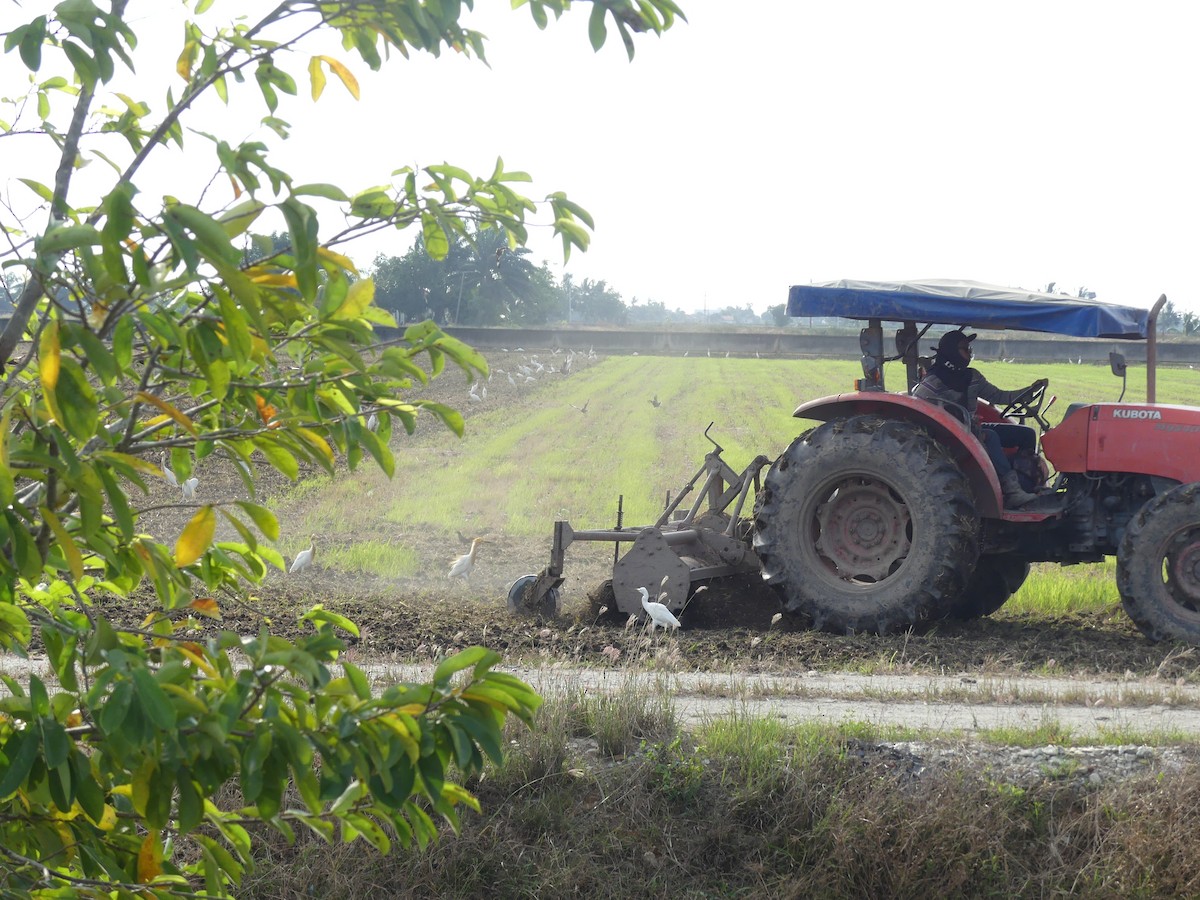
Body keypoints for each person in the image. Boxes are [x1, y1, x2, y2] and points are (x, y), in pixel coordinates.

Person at [913, 330, 1047, 508]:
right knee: (991, 436)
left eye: (969, 349)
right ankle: (1011, 492)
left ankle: (1027, 481)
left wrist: (1028, 391)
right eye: (964, 349)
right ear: (951, 351)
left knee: (1026, 434)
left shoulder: (972, 377)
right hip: (952, 436)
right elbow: (917, 409)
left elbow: (999, 396)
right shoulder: (933, 383)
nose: (969, 353)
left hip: (973, 429)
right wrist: (961, 427)